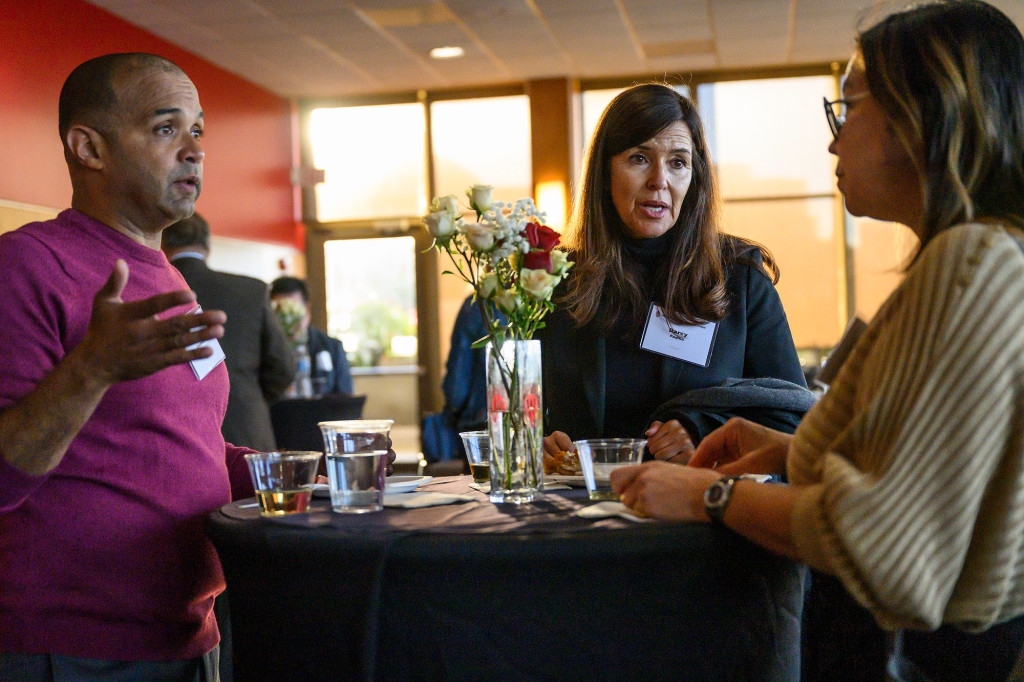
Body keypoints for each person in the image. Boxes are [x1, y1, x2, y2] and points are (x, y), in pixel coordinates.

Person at [611, 2, 1024, 680]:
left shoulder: (969, 266)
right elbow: (938, 475)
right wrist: (792, 451)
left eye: (848, 107)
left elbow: (886, 549)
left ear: (920, 114)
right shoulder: (987, 256)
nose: (834, 141)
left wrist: (706, 497)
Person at [540, 83, 811, 463]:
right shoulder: (556, 281)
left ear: (694, 178)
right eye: (639, 158)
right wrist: (539, 443)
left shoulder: (740, 277)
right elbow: (516, 410)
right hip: (585, 511)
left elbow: (794, 416)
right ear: (604, 173)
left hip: (695, 509)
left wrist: (703, 429)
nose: (659, 180)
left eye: (678, 162)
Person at [163, 213, 295, 452]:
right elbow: (283, 367)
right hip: (247, 432)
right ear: (208, 246)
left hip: (175, 440)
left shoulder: (149, 293)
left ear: (163, 244)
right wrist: (246, 396)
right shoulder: (251, 290)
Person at [269, 276, 354, 395]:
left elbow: (345, 397)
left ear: (307, 308)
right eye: (280, 312)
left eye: (293, 311)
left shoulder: (332, 347)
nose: (289, 320)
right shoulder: (264, 349)